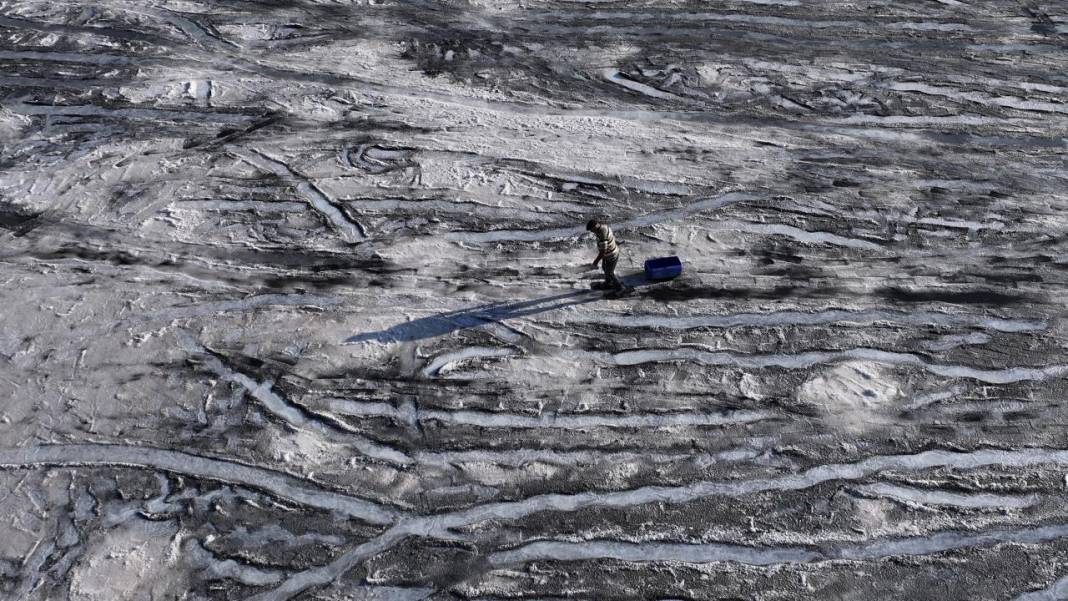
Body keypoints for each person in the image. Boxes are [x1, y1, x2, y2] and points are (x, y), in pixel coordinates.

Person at [586, 219, 624, 292]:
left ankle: (620, 288)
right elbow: (610, 237)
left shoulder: (602, 234)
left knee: (610, 273)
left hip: (612, 255)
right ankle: (608, 283)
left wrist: (595, 262)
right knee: (604, 268)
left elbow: (603, 251)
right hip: (608, 254)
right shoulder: (604, 226)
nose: (591, 232)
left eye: (591, 230)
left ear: (594, 227)